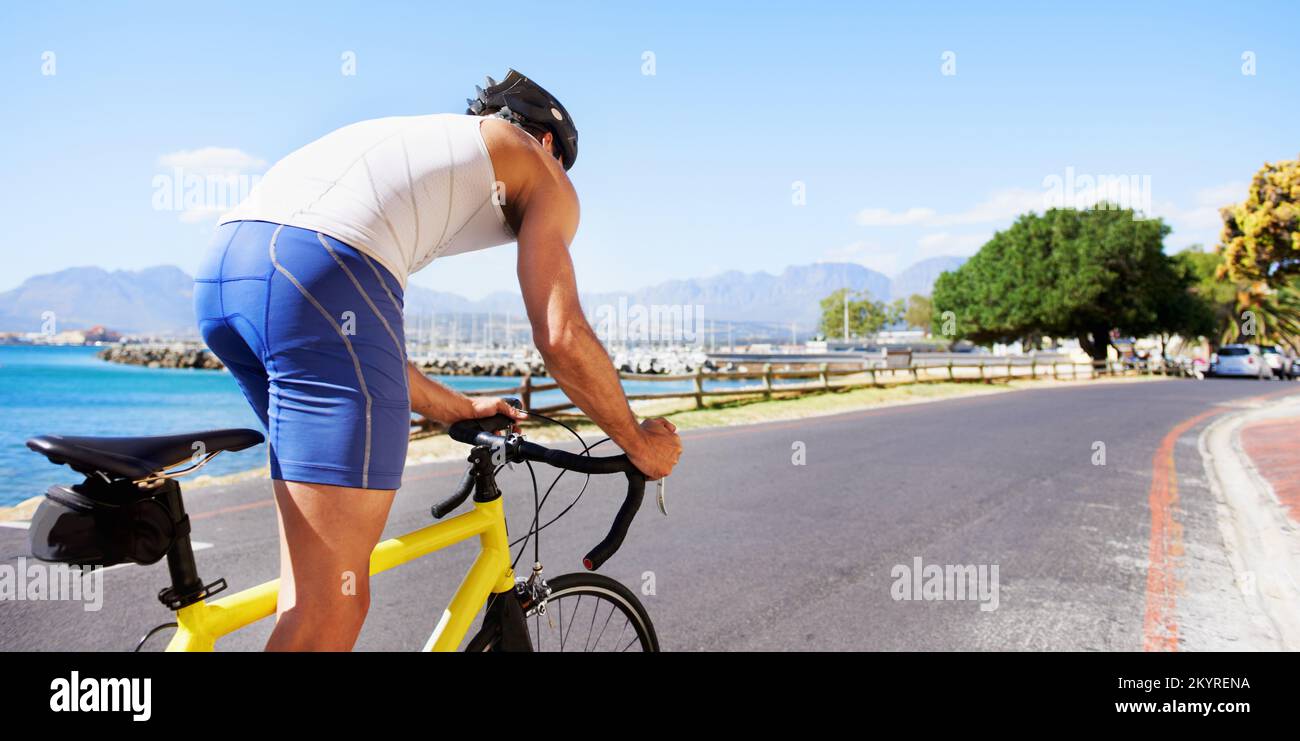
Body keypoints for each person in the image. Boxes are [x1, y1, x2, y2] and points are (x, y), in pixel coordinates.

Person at [193, 69, 682, 650]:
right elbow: (561, 333)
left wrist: (454, 406)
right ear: (550, 143)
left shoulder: (421, 146)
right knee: (331, 607)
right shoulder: (540, 164)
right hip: (324, 268)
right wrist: (639, 443)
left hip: (228, 274)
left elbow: (349, 340)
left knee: (309, 591)